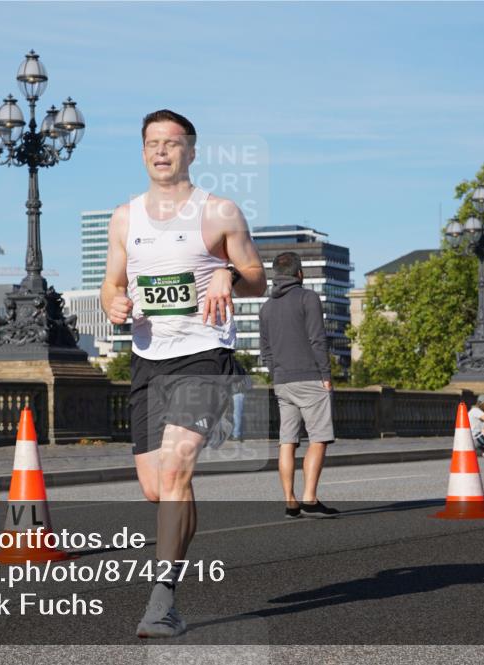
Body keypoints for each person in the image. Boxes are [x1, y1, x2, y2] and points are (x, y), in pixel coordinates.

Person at [99, 109, 266, 637]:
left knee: (174, 470)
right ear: (143, 151)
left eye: (172, 143)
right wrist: (114, 304)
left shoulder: (218, 212)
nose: (162, 151)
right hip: (149, 358)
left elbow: (258, 278)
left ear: (191, 151)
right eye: (153, 143)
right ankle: (173, 579)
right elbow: (110, 284)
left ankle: (162, 599)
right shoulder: (125, 217)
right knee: (157, 486)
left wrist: (226, 275)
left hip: (204, 354)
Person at [259, 251, 340, 519]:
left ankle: (290, 501)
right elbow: (318, 339)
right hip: (310, 377)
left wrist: (276, 372)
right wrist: (325, 375)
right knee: (318, 438)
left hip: (283, 381)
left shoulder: (266, 307)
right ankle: (310, 498)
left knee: (287, 441)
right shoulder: (308, 298)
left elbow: (266, 349)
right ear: (300, 273)